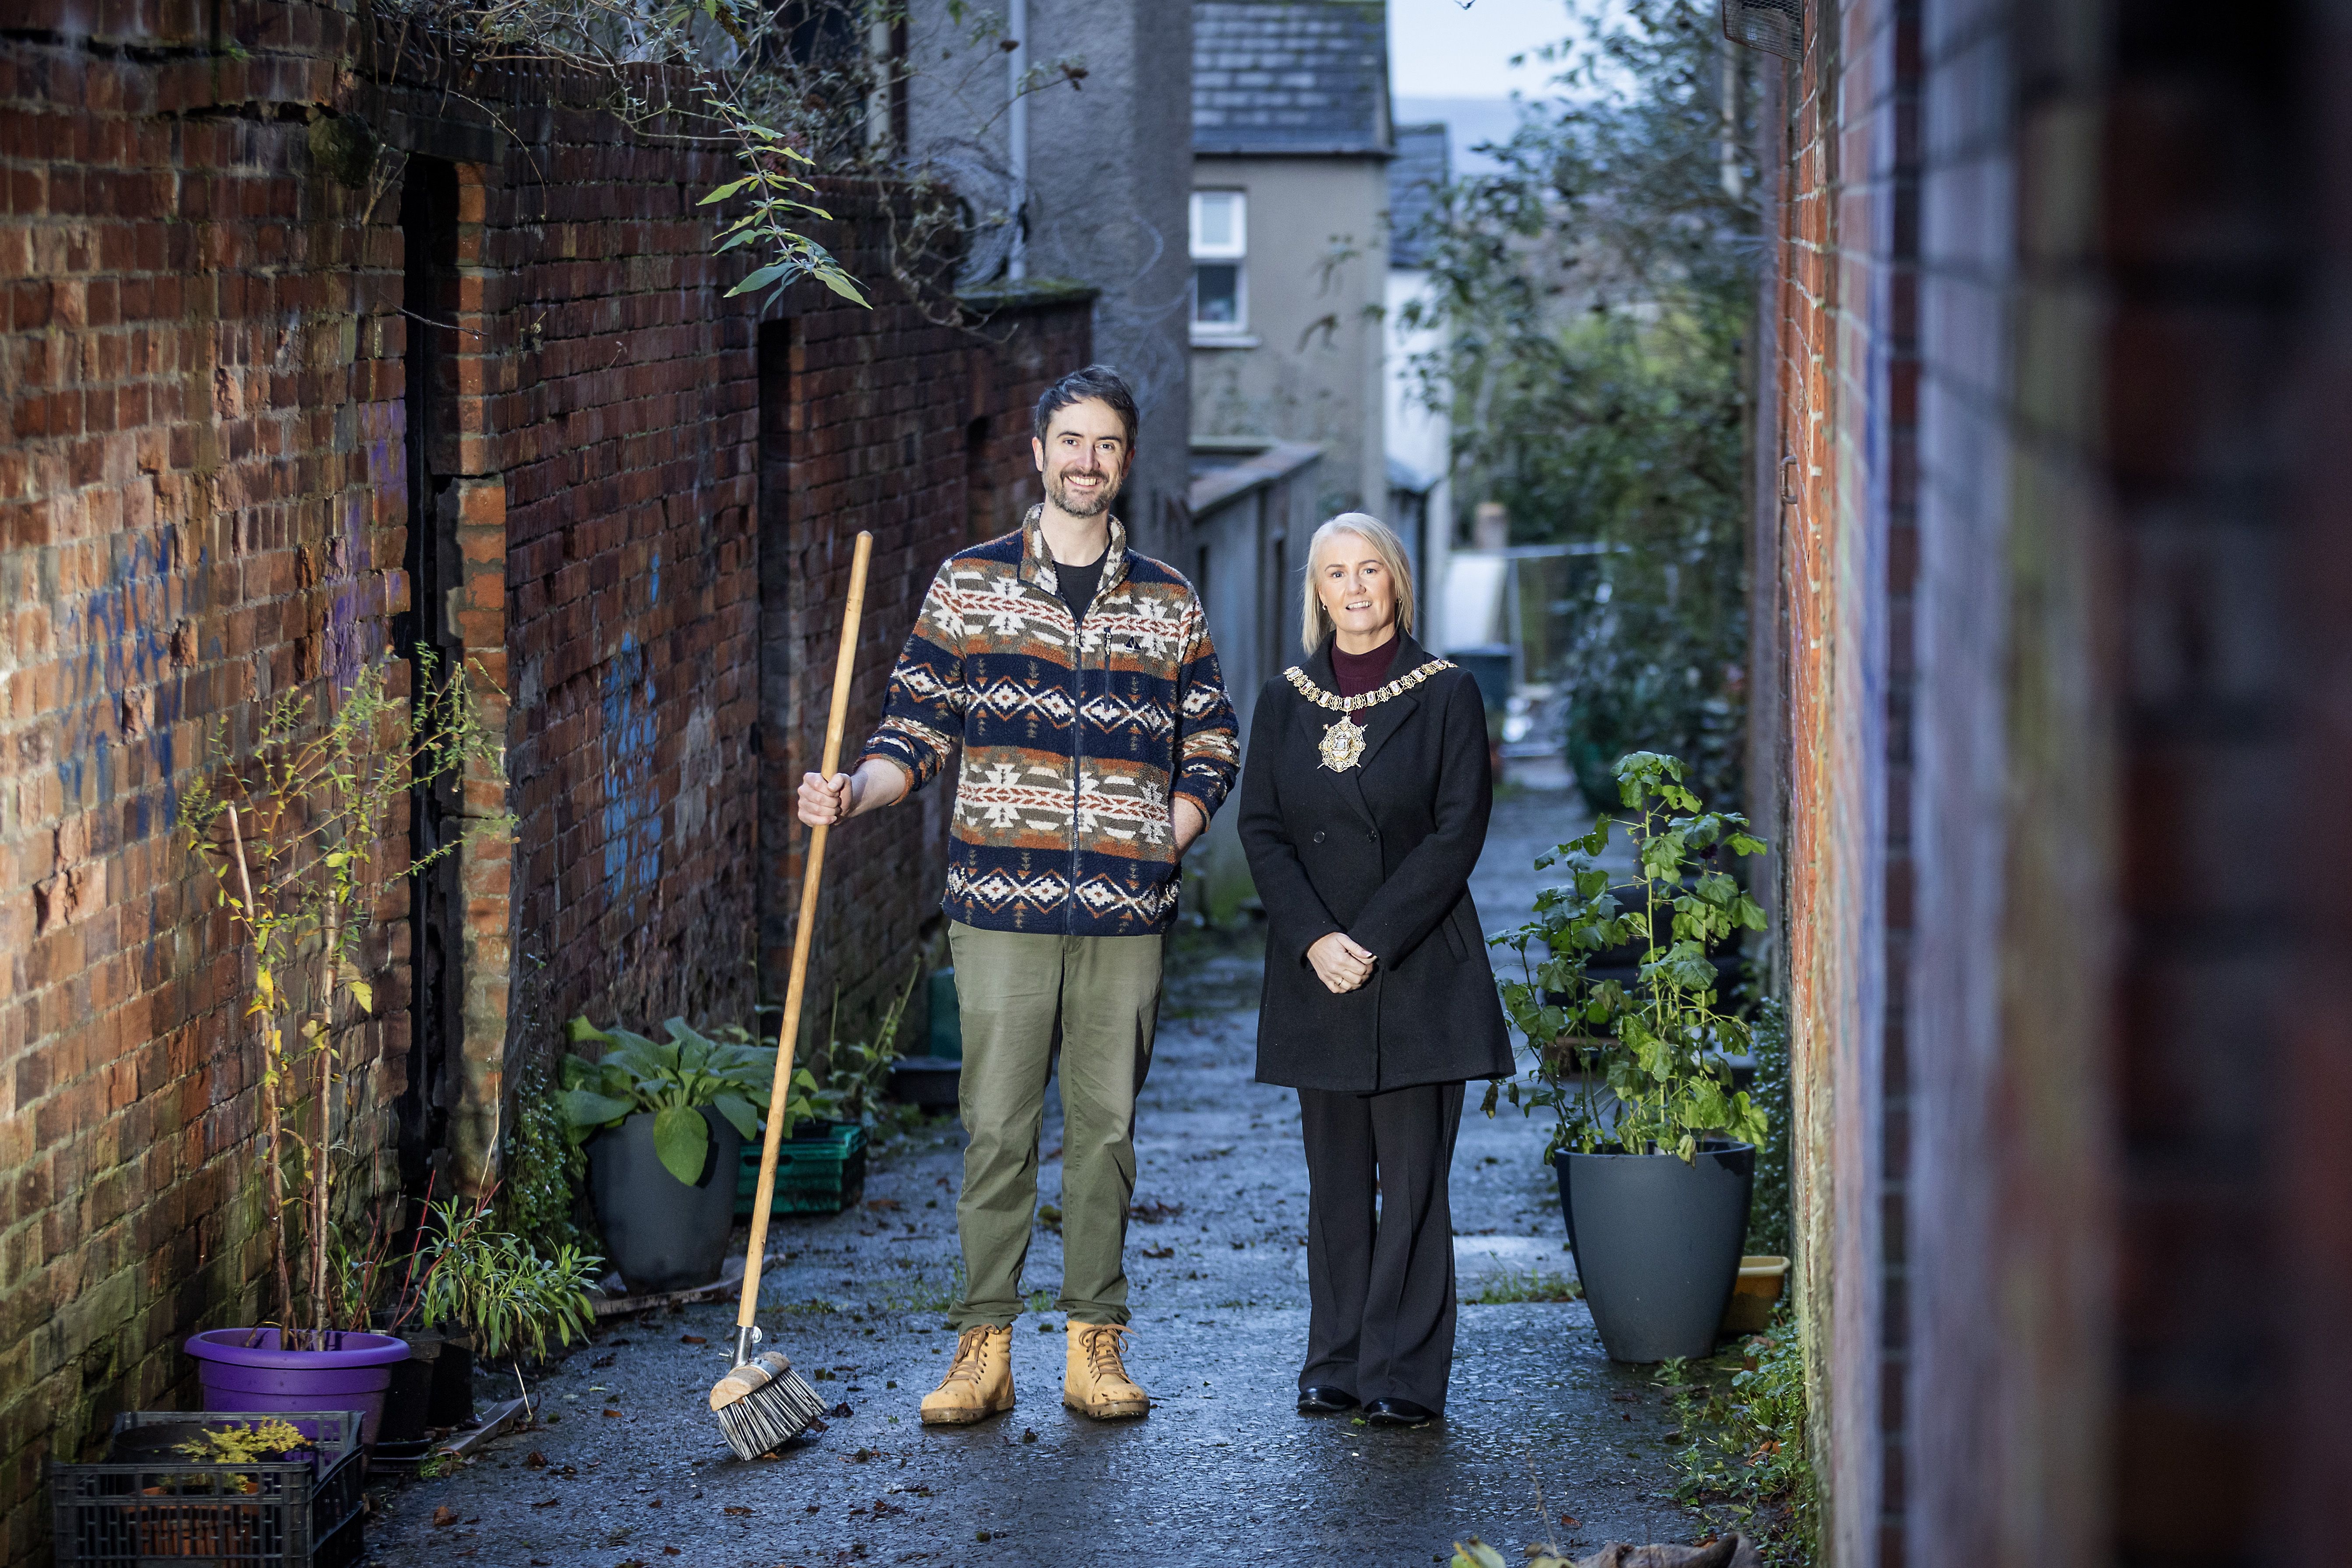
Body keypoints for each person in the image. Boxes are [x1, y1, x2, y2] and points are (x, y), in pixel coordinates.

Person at [798, 364, 1240, 1426]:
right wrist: (855, 788)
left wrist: (1161, 838)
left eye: (1108, 445)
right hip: (999, 904)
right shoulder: (970, 584)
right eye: (1071, 441)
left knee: (1106, 1131)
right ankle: (982, 1347)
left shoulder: (1168, 597)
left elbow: (1213, 739)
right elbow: (917, 727)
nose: (1088, 461)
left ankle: (1095, 1343)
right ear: (1037, 454)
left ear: (1124, 462)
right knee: (996, 1126)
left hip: (1126, 914)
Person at [1236, 513, 1513, 1428]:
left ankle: (1403, 1369)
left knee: (1416, 1180)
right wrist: (1316, 937)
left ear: (1396, 580)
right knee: (1337, 1179)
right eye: (1333, 575)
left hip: (1419, 965)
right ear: (1315, 592)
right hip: (1318, 971)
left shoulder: (1447, 692)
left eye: (1369, 571)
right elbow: (1263, 829)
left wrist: (1372, 937)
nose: (1353, 589)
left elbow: (1457, 831)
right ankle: (1338, 1357)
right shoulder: (1284, 699)